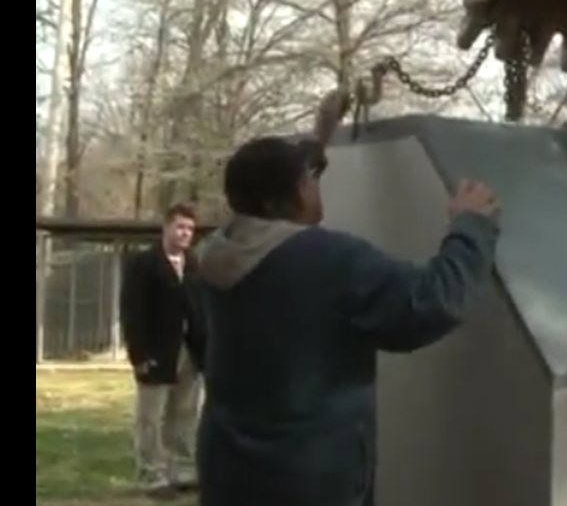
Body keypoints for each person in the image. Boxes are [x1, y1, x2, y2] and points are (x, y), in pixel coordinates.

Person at [192, 92, 500, 506]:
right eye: (308, 179)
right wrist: (470, 225)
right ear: (281, 200)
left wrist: (322, 136)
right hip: (310, 482)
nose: (317, 184)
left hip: (230, 473)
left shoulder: (218, 254)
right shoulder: (328, 261)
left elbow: (268, 198)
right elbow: (433, 302)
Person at [120, 203, 203, 496]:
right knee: (150, 417)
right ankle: (152, 475)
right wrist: (138, 355)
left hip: (188, 351)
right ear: (166, 227)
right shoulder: (144, 263)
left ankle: (182, 470)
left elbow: (199, 309)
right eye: (180, 227)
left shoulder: (194, 264)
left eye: (190, 229)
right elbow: (132, 311)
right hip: (155, 350)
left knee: (185, 412)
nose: (185, 233)